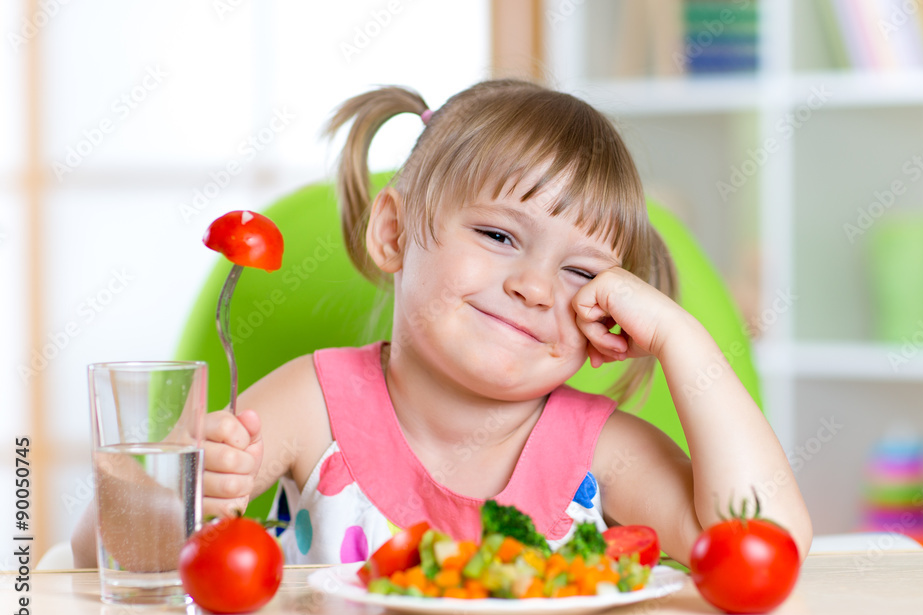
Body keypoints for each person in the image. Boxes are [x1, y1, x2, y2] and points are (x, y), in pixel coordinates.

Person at [73, 79, 811, 568]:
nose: (532, 286)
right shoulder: (317, 403)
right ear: (392, 232)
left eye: (582, 273)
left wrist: (682, 338)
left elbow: (767, 546)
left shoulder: (596, 447)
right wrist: (191, 500)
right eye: (498, 236)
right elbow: (97, 548)